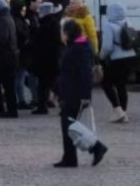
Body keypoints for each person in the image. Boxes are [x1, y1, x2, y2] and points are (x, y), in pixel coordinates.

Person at [55, 19, 108, 168]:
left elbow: (85, 74)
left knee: (70, 124)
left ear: (67, 33)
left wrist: (85, 96)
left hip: (74, 92)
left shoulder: (78, 49)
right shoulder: (77, 46)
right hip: (69, 90)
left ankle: (95, 148)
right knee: (70, 124)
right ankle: (71, 156)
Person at [99, 2, 137, 123]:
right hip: (130, 56)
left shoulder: (109, 25)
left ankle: (118, 110)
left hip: (116, 58)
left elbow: (107, 47)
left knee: (106, 83)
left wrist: (101, 57)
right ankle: (123, 112)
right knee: (121, 85)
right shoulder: (128, 22)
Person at [32, 2, 63, 115]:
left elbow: (46, 42)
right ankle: (44, 106)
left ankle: (44, 106)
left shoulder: (47, 24)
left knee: (48, 84)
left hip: (47, 59)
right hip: (50, 59)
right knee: (48, 84)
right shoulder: (53, 22)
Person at [11, 0, 33, 109]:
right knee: (19, 78)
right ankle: (21, 100)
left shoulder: (16, 20)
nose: (24, 12)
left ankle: (22, 99)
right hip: (20, 53)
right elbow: (23, 36)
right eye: (22, 10)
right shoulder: (17, 21)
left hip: (19, 53)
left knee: (21, 77)